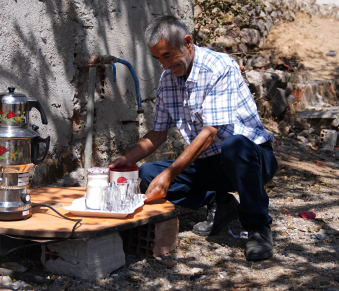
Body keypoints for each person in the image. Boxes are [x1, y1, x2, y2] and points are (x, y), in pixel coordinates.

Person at [109, 15, 278, 261]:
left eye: (167, 55)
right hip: (212, 165)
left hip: (251, 159)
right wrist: (124, 160)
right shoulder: (167, 80)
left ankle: (258, 227)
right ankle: (221, 202)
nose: (164, 65)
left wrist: (169, 175)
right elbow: (157, 134)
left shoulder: (220, 67)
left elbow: (211, 133)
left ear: (188, 42)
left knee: (235, 145)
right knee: (146, 175)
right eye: (157, 58)